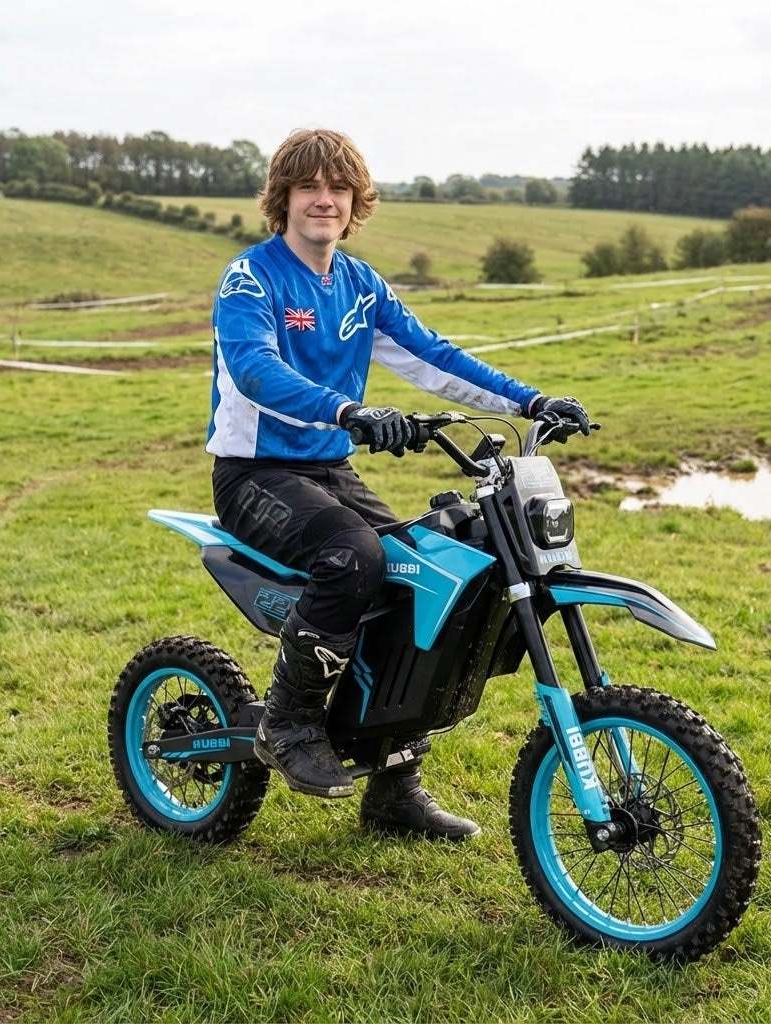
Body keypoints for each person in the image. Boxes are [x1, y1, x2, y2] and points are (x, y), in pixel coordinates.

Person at [208, 128, 590, 841]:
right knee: (355, 557)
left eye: (339, 188)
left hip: (329, 467)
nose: (324, 199)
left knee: (421, 574)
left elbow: (430, 355)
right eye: (308, 187)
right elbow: (254, 371)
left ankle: (392, 789)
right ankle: (288, 725)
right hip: (255, 473)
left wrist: (531, 401)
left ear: (356, 202)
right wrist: (348, 410)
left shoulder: (358, 284)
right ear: (283, 199)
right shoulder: (251, 279)